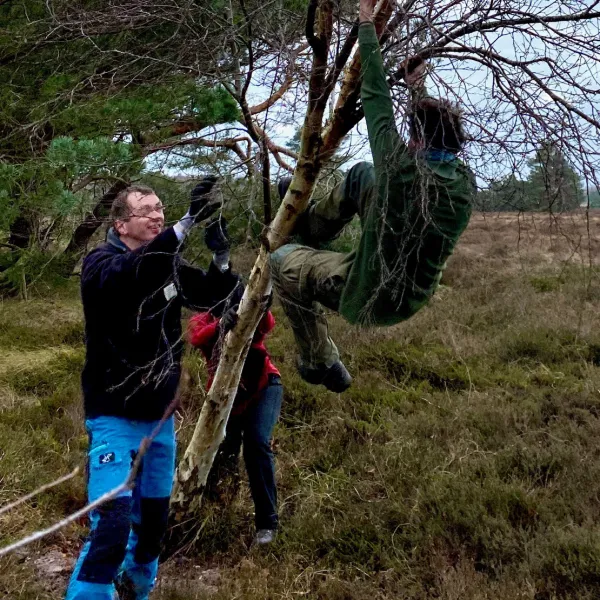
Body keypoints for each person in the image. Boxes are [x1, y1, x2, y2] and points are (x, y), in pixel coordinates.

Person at [271, 0, 476, 393]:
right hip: (408, 273)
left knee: (283, 262)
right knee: (364, 175)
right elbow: (429, 135)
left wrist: (366, 24)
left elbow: (376, 95)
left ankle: (319, 360)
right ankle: (313, 226)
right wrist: (419, 87)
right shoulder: (462, 181)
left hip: (375, 291)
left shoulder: (401, 170)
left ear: (415, 141)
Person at [66, 179, 241, 600]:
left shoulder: (167, 265)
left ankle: (134, 590)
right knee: (112, 521)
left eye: (161, 209)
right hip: (113, 416)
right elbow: (134, 274)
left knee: (152, 527)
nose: (157, 216)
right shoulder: (101, 264)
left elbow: (215, 295)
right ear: (121, 224)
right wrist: (183, 225)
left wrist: (220, 255)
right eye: (147, 211)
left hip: (159, 419)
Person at [188, 220, 282, 545]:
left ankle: (267, 524)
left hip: (263, 385)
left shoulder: (241, 301)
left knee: (256, 444)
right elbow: (199, 336)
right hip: (228, 396)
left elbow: (265, 324)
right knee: (221, 452)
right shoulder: (203, 312)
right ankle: (212, 509)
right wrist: (221, 326)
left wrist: (245, 312)